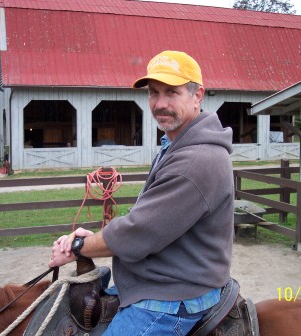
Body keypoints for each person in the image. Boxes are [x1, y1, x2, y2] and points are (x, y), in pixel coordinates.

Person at [48, 50, 235, 335]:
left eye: (172, 92)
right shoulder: (175, 144)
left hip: (172, 297)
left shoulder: (196, 161)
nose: (160, 104)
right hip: (163, 278)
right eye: (154, 93)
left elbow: (139, 233)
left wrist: (78, 247)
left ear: (197, 95)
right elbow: (152, 218)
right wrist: (95, 239)